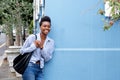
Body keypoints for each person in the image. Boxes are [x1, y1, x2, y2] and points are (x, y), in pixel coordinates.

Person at [20, 16, 55, 80]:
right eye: (44, 26)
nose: (47, 28)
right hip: (29, 67)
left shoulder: (51, 42)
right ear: (40, 27)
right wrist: (33, 47)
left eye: (48, 26)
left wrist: (42, 47)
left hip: (40, 69)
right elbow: (22, 51)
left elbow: (47, 58)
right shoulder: (32, 37)